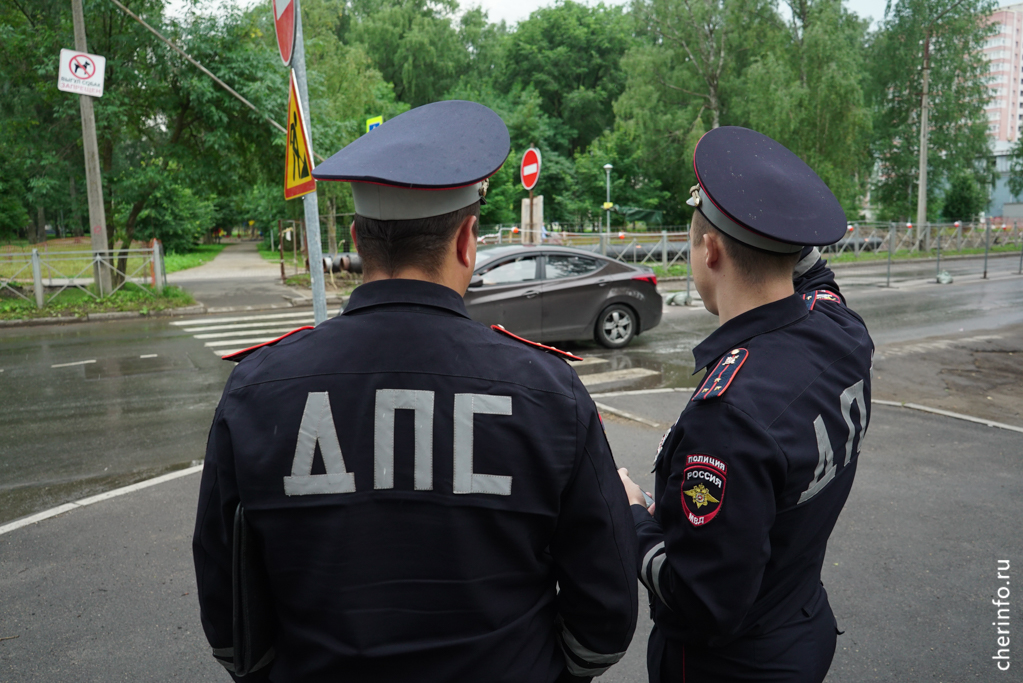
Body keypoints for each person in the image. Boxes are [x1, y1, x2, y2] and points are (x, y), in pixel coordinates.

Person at [193, 100, 638, 683]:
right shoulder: (547, 391)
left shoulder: (259, 388)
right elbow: (604, 615)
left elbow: (229, 615)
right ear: (466, 241)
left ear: (356, 241)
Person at [618, 126, 873, 683]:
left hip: (730, 668)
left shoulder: (728, 419)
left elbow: (703, 603)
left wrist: (632, 515)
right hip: (799, 625)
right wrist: (774, 214)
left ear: (709, 250)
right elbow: (817, 275)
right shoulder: (842, 330)